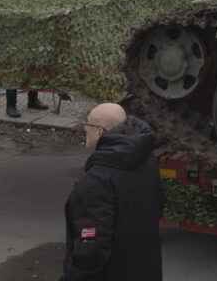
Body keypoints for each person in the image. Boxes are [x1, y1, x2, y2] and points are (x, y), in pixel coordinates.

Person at [61, 103, 162, 281]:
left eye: (88, 124)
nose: (85, 128)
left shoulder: (96, 181)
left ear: (100, 131)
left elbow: (90, 251)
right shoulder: (147, 162)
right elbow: (159, 205)